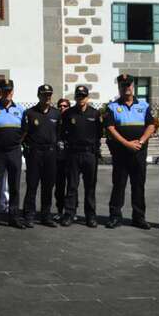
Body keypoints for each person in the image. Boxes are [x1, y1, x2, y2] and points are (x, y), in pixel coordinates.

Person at [105, 74, 155, 230]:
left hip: (139, 152)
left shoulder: (144, 105)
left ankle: (139, 218)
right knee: (118, 185)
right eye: (123, 85)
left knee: (138, 185)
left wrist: (140, 142)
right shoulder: (112, 107)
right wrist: (127, 144)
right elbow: (110, 128)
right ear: (119, 87)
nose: (126, 88)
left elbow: (151, 125)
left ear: (133, 86)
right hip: (121, 153)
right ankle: (115, 217)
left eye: (128, 85)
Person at [0, 79, 26, 229]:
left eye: (9, 90)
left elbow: (24, 130)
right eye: (4, 90)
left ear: (12, 92)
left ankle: (14, 217)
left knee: (14, 186)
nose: (7, 93)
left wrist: (16, 142)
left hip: (14, 151)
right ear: (0, 92)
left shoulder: (20, 109)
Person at [60, 85, 102, 228]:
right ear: (75, 97)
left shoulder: (95, 114)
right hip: (73, 153)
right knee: (72, 186)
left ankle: (90, 216)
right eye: (78, 96)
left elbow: (99, 134)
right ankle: (69, 214)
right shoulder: (68, 114)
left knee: (90, 187)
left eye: (83, 96)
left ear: (87, 97)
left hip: (90, 154)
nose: (81, 98)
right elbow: (63, 132)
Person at [21, 84, 61, 228]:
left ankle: (46, 215)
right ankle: (29, 215)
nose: (47, 97)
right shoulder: (29, 113)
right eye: (44, 94)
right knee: (32, 185)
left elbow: (59, 134)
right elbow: (24, 134)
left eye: (49, 94)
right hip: (35, 153)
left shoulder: (56, 114)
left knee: (48, 186)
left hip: (50, 153)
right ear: (38, 96)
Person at [54, 98, 71, 219]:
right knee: (59, 187)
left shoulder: (72, 120)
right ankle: (60, 211)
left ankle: (70, 211)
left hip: (71, 159)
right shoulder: (55, 121)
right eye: (60, 106)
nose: (62, 108)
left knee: (71, 187)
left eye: (65, 106)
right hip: (58, 159)